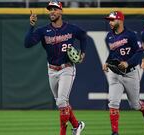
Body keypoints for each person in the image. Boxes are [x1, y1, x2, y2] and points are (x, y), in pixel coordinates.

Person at [24, 0, 86, 135]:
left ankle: (63, 132)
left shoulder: (71, 28)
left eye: (55, 9)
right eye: (50, 9)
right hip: (52, 70)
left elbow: (83, 36)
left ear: (61, 11)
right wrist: (31, 26)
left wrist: (83, 52)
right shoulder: (43, 31)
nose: (52, 11)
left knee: (62, 102)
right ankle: (77, 125)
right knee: (61, 103)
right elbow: (27, 44)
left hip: (67, 68)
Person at [102, 11, 144, 135]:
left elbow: (140, 52)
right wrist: (107, 62)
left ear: (120, 20)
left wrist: (128, 63)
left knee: (134, 105)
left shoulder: (131, 35)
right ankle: (115, 132)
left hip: (130, 73)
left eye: (112, 20)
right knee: (113, 102)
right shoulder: (109, 36)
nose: (110, 22)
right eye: (109, 20)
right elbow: (113, 53)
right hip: (115, 74)